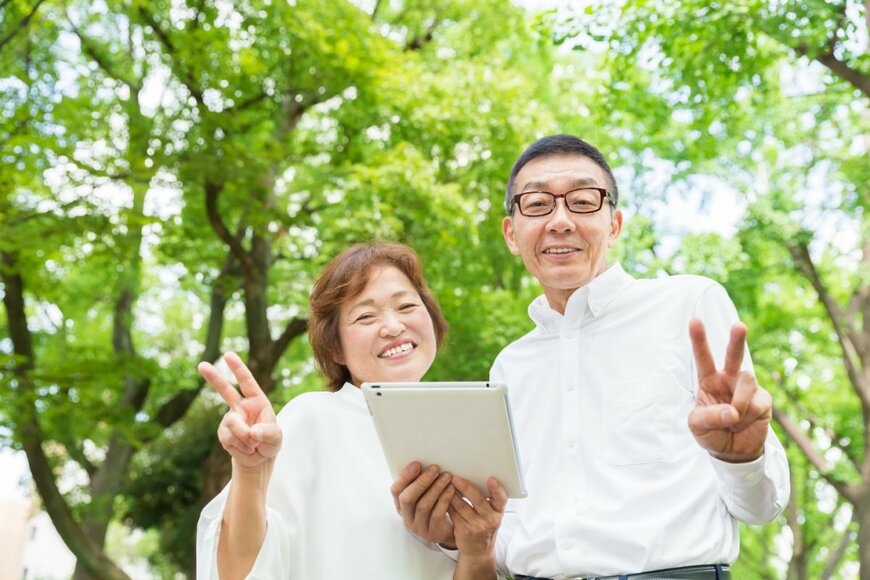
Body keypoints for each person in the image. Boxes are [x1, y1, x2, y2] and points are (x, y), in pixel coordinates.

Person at [391, 135, 790, 579]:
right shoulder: (511, 366)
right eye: (538, 204)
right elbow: (513, 534)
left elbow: (761, 508)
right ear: (511, 234)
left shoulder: (689, 306)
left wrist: (743, 457)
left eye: (582, 201)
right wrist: (454, 532)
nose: (560, 221)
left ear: (614, 225)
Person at [195, 242, 507, 580]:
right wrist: (250, 469)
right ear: (336, 349)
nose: (392, 326)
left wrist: (476, 551)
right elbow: (236, 571)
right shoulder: (310, 420)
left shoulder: (472, 429)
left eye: (406, 306)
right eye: (366, 316)